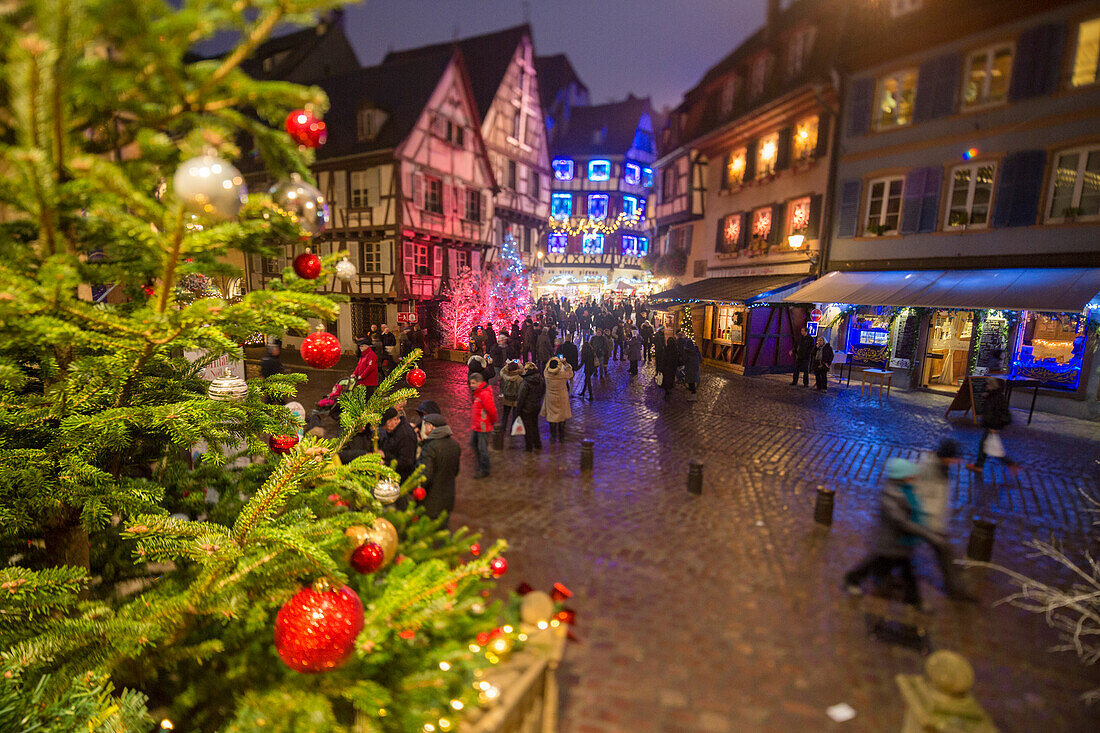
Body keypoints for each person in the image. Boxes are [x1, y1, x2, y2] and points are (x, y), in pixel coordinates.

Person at [843, 458, 939, 611]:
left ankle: (913, 600)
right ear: (900, 477)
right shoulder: (891, 496)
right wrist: (924, 533)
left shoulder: (904, 491)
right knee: (875, 564)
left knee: (908, 573)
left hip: (901, 544)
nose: (913, 478)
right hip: (891, 543)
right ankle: (851, 579)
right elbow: (901, 521)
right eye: (910, 475)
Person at [913, 440, 978, 602]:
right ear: (945, 456)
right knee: (897, 554)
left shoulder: (943, 468)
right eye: (953, 458)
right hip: (926, 523)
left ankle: (956, 590)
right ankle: (956, 591)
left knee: (946, 556)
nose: (956, 462)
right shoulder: (928, 468)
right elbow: (920, 494)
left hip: (935, 524)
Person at [966, 379, 1017, 476]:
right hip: (990, 426)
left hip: (992, 427)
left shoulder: (996, 398)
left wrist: (995, 427)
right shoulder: (994, 396)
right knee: (986, 446)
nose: (986, 386)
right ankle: (979, 465)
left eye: (988, 385)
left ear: (993, 386)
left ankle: (1009, 463)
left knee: (991, 448)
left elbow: (997, 414)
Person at [416, 413, 461, 519]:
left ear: (432, 427)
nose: (424, 427)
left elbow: (425, 475)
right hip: (448, 496)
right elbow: (456, 471)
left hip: (432, 499)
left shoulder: (430, 448)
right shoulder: (455, 445)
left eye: (426, 424)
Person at [467, 373, 497, 479]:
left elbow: (491, 410)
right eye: (470, 383)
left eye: (473, 383)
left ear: (479, 382)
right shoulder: (478, 392)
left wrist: (493, 421)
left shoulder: (484, 393)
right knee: (474, 444)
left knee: (482, 448)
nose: (471, 385)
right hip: (477, 425)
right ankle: (481, 464)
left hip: (483, 426)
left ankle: (484, 469)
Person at [378, 406, 417, 484]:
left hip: (401, 479)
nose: (385, 428)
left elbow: (407, 462)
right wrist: (384, 454)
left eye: (386, 425)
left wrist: (385, 464)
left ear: (395, 419)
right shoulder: (392, 431)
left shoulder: (406, 435)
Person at [541, 357, 574, 443]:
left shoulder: (546, 375)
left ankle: (553, 436)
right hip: (561, 398)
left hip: (550, 398)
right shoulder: (563, 375)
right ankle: (561, 437)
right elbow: (571, 373)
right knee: (562, 417)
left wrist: (550, 361)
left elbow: (545, 368)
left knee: (552, 417)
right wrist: (565, 363)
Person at [515, 361, 545, 451]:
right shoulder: (541, 380)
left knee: (527, 428)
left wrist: (518, 410)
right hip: (536, 406)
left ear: (527, 370)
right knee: (535, 425)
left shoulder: (525, 382)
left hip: (526, 408)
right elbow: (542, 391)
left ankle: (529, 447)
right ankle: (537, 444)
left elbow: (521, 397)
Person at [498, 360, 523, 437]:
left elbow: (502, 371)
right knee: (515, 415)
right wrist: (520, 365)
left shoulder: (505, 376)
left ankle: (503, 428)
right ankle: (513, 430)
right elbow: (523, 372)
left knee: (505, 414)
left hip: (507, 398)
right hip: (516, 400)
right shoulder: (519, 378)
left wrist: (507, 364)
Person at [659, 333, 680, 400]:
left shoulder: (666, 349)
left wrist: (661, 368)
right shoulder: (675, 350)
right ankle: (670, 388)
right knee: (671, 378)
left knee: (666, 379)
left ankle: (667, 392)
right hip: (672, 368)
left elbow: (664, 359)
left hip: (666, 368)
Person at [679, 334, 701, 399]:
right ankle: (693, 395)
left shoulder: (688, 352)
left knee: (691, 382)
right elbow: (700, 358)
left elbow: (684, 360)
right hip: (695, 368)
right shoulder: (696, 351)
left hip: (690, 369)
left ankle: (693, 396)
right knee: (692, 382)